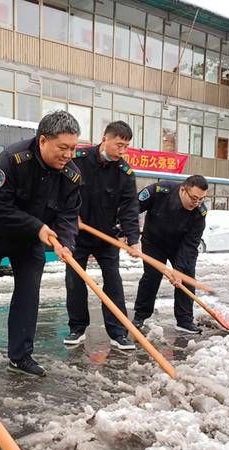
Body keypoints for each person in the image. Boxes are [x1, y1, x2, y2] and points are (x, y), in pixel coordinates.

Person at [0, 111, 82, 377]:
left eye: (73, 148)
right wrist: (39, 227)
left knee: (28, 295)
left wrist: (65, 242)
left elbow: (68, 214)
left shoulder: (71, 175)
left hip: (29, 242)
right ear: (43, 140)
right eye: (63, 148)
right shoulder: (12, 160)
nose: (68, 155)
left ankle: (20, 356)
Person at [63, 121, 140, 351]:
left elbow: (129, 207)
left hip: (107, 236)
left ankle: (118, 332)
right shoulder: (78, 160)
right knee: (75, 281)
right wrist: (69, 217)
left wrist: (132, 238)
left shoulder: (124, 173)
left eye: (126, 146)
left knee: (113, 282)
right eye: (119, 144)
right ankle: (77, 327)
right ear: (104, 138)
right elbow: (62, 191)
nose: (122, 151)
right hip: (78, 233)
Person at [132, 175, 209, 335]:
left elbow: (190, 245)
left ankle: (184, 320)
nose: (196, 203)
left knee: (186, 277)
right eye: (194, 198)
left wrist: (178, 271)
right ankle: (141, 315)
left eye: (201, 199)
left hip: (180, 246)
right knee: (152, 277)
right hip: (154, 242)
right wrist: (128, 232)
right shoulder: (160, 191)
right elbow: (133, 209)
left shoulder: (199, 213)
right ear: (183, 190)